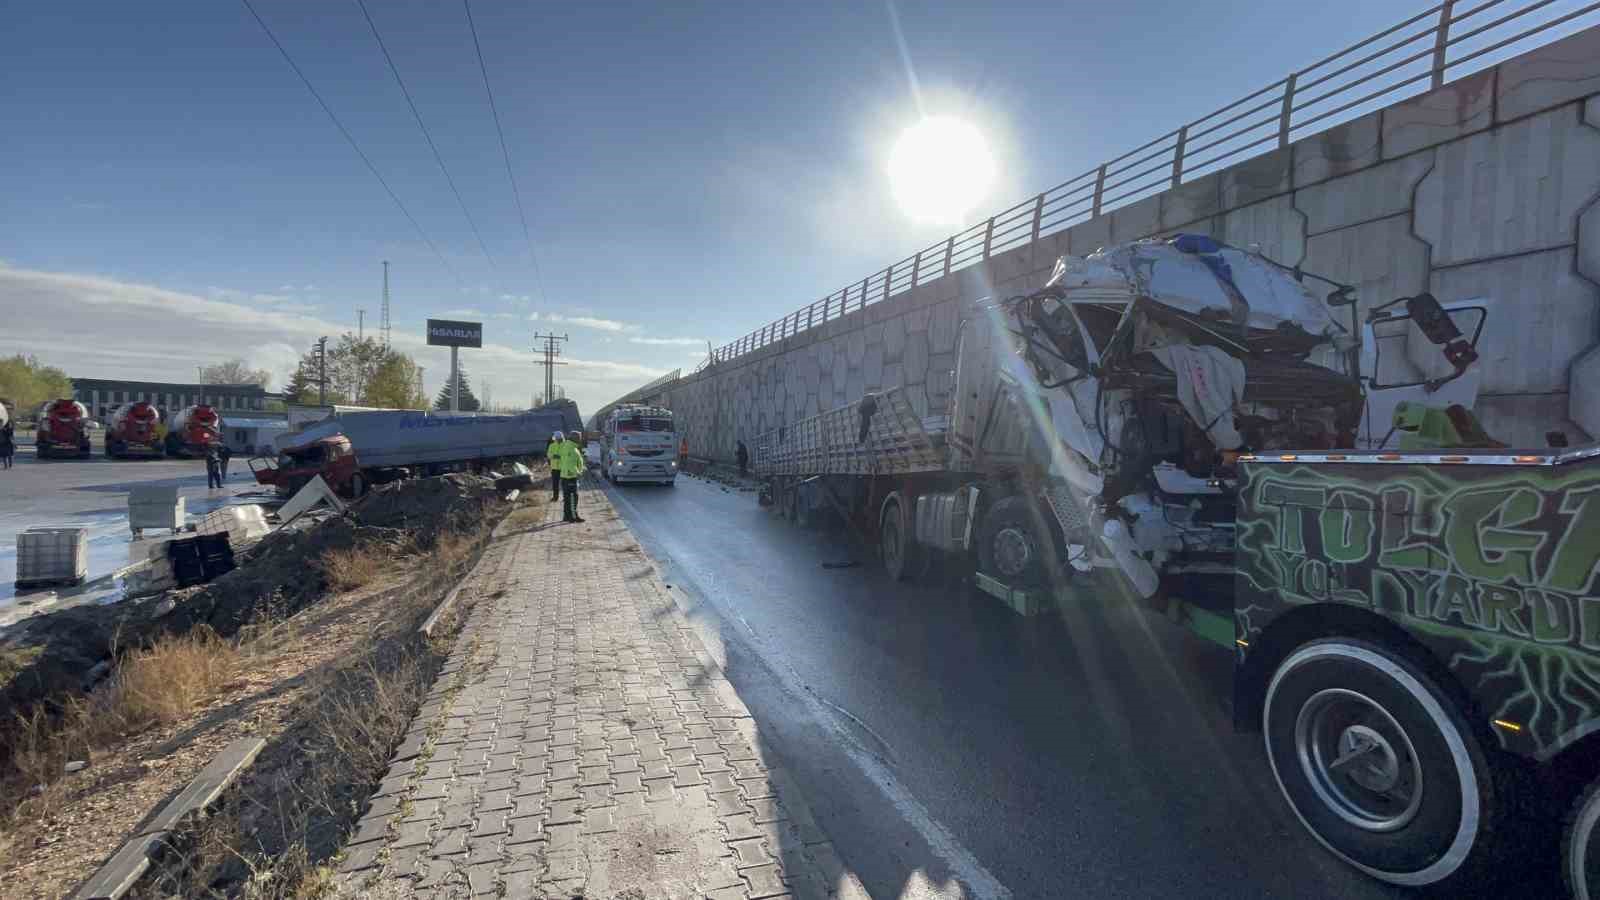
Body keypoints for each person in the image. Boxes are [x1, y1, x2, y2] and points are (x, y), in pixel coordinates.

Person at [557, 434, 585, 523]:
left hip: (565, 475)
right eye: (579, 438)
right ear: (575, 439)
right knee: (573, 497)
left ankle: (566, 516)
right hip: (570, 476)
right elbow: (571, 464)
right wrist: (578, 472)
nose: (580, 440)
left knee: (567, 497)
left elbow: (564, 462)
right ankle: (573, 517)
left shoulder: (567, 446)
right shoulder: (571, 449)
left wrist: (581, 467)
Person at [548, 431, 565, 501]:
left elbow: (567, 455)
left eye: (557, 438)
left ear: (561, 438)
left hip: (563, 467)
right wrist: (553, 456)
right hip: (554, 468)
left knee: (564, 484)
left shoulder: (565, 445)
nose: (556, 439)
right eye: (556, 438)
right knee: (555, 484)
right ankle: (555, 497)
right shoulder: (551, 445)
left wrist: (560, 456)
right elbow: (548, 454)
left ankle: (565, 497)